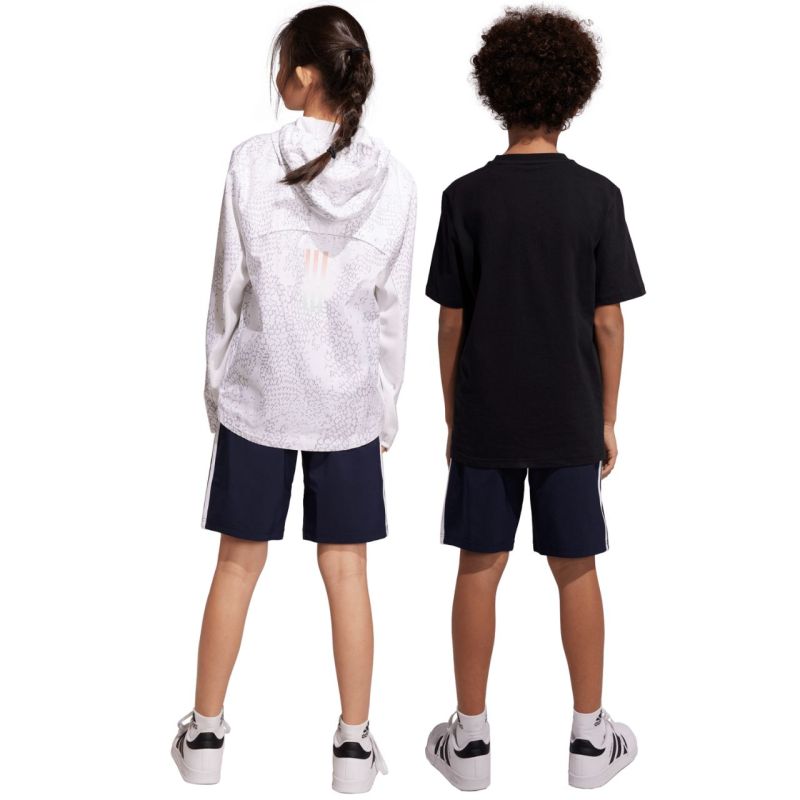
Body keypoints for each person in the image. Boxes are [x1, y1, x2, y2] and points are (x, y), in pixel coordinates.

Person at [170, 6, 416, 793]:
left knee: (237, 564)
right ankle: (354, 749)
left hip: (261, 392)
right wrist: (384, 409)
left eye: (284, 62)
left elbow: (227, 288)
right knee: (347, 571)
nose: (278, 74)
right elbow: (391, 316)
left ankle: (204, 737)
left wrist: (219, 390)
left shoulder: (249, 162)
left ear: (306, 73)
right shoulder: (397, 181)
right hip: (348, 403)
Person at [424, 6, 645, 791]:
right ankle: (590, 741)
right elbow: (608, 322)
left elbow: (451, 322)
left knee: (478, 567)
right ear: (574, 94)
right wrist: (607, 417)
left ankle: (470, 743)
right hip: (569, 413)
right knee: (575, 569)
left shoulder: (465, 197)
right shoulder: (597, 197)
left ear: (495, 91)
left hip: (487, 413)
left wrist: (454, 414)